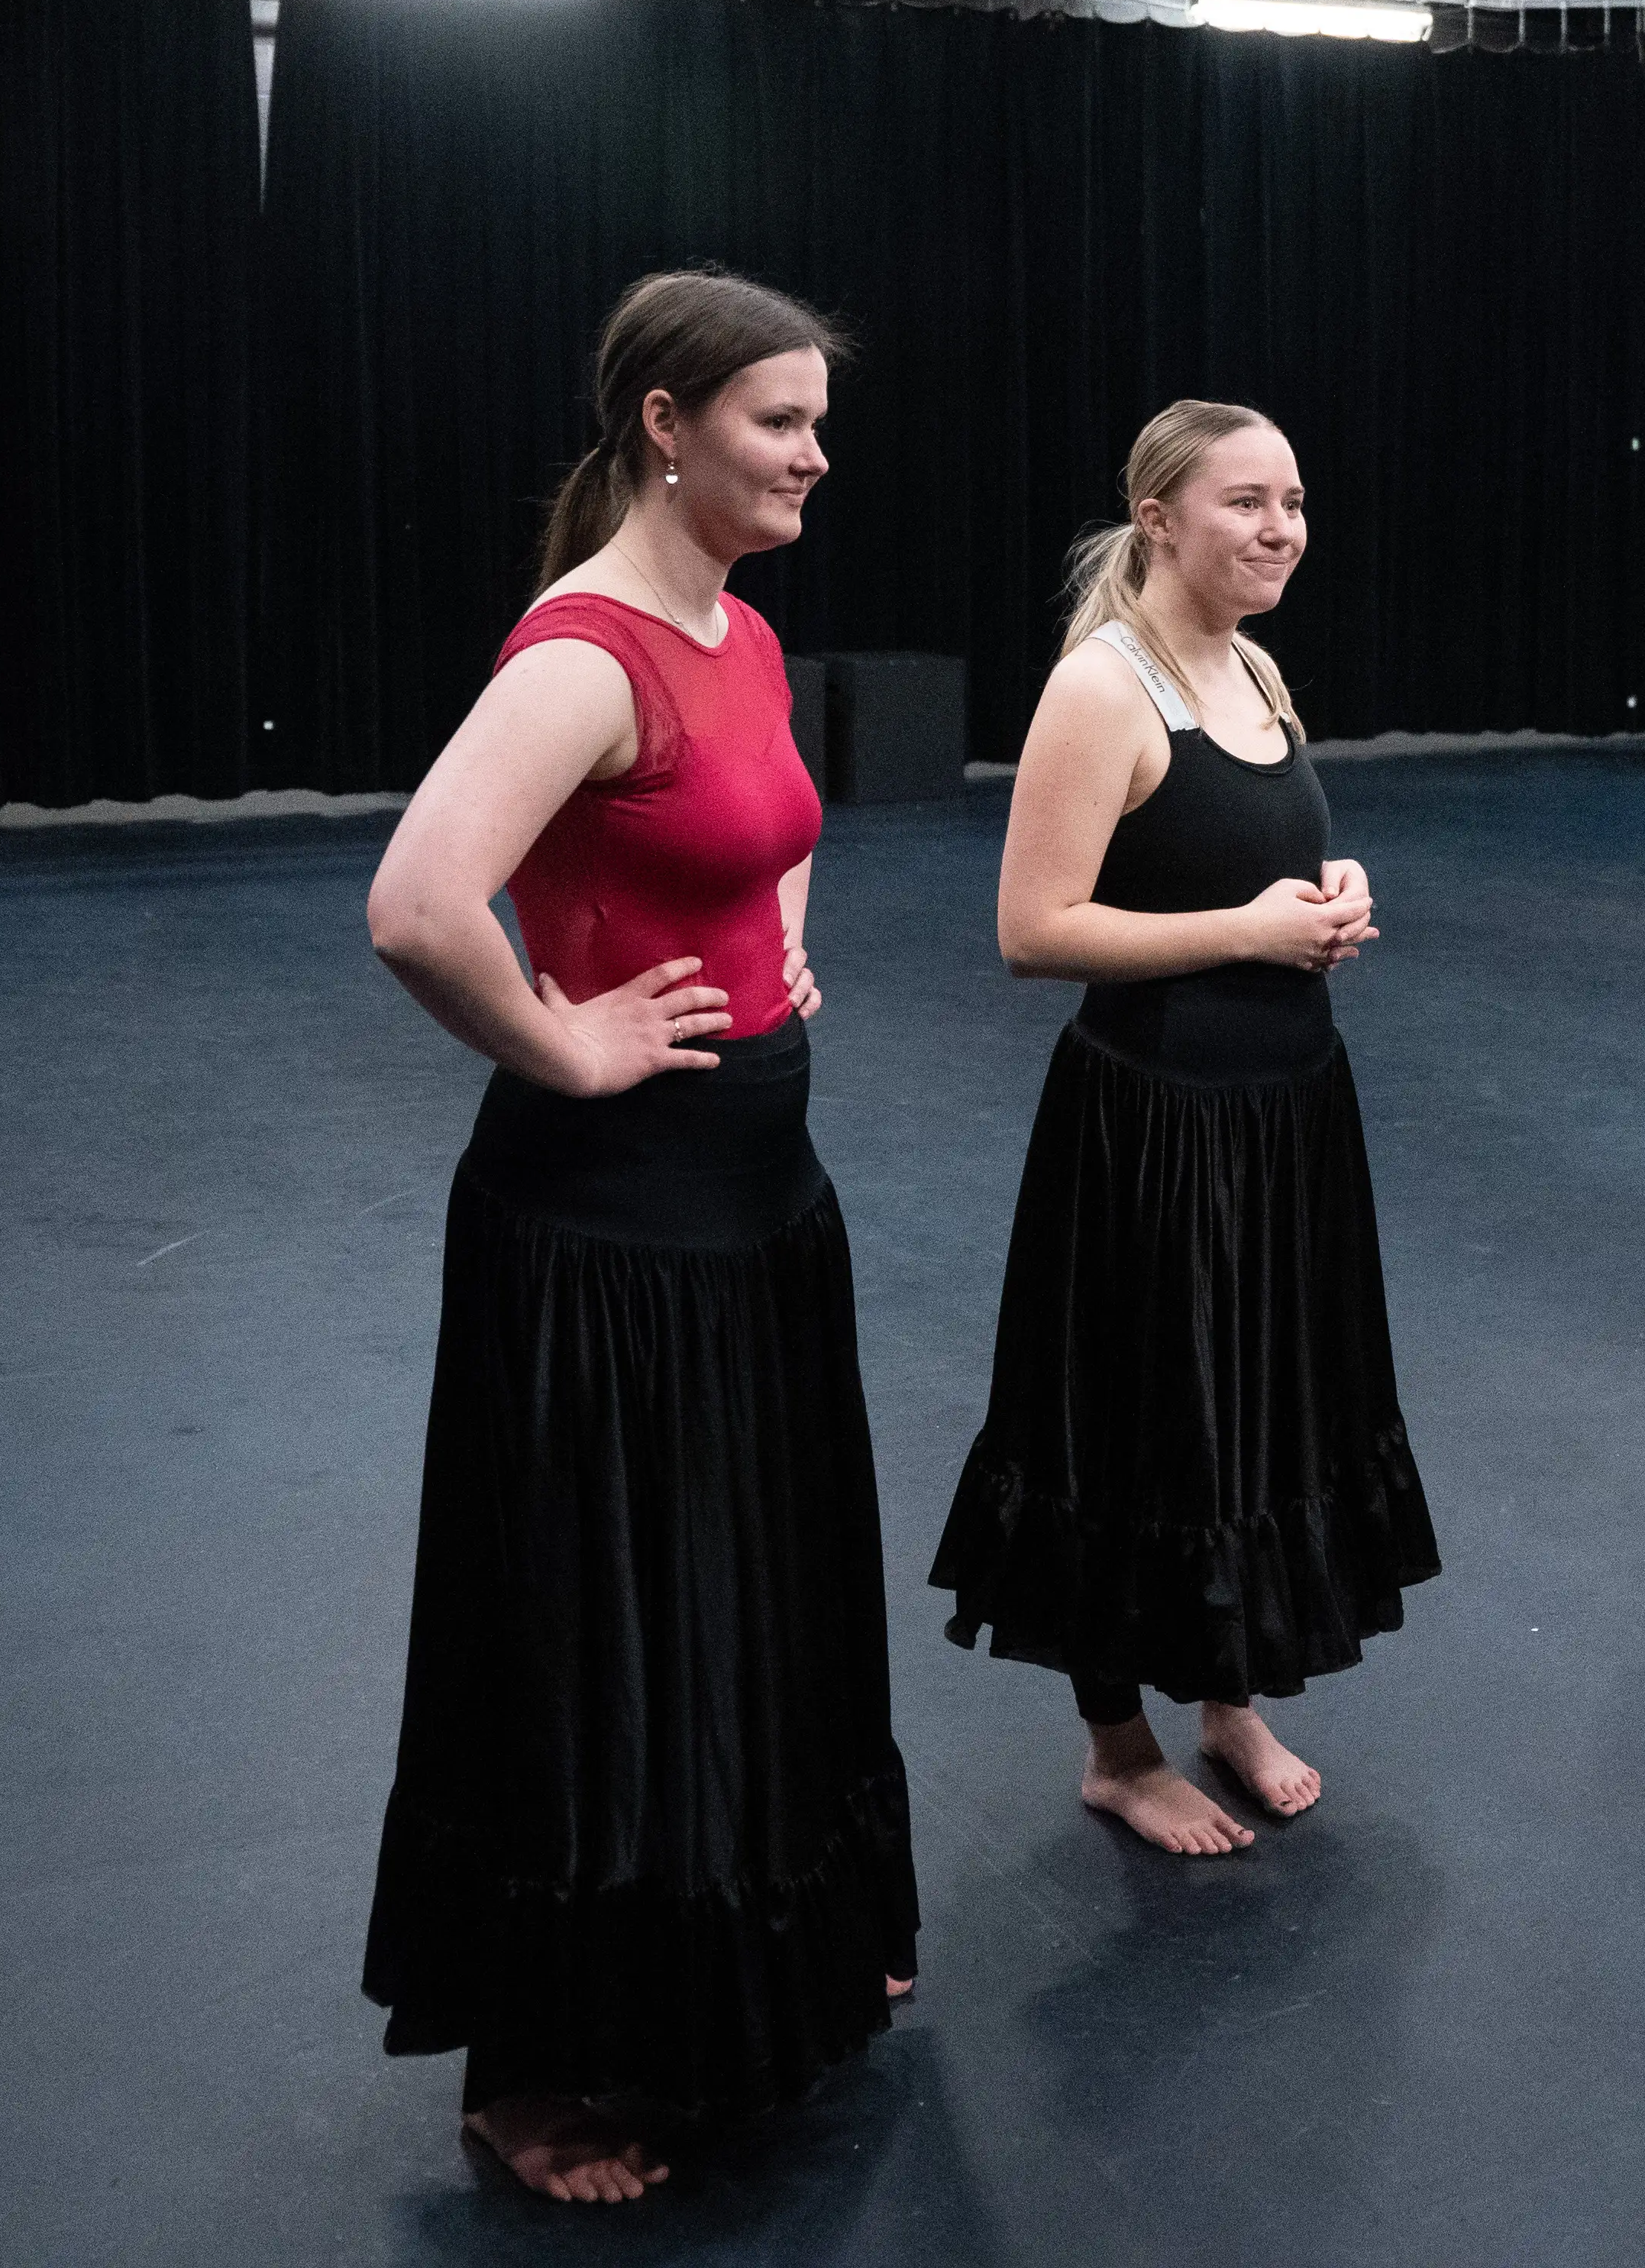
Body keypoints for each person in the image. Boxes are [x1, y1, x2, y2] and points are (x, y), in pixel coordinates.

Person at [355, 268, 918, 2206]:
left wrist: (785, 947)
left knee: (745, 1591)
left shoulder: (733, 632)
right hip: (609, 1231)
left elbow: (769, 821)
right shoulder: (583, 654)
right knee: (604, 1630)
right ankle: (537, 2072)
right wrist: (565, 1038)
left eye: (818, 419)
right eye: (779, 418)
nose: (814, 452)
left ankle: (776, 1931)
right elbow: (421, 901)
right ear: (666, 425)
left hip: (757, 1197)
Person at [932, 401, 1440, 1855]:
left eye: (1293, 500)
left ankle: (1228, 1697)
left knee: (1256, 1411)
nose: (1280, 528)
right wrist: (1251, 932)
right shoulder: (1103, 691)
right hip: (1154, 1133)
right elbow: (1036, 931)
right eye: (1245, 503)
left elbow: (1253, 859)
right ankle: (1119, 1748)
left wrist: (1326, 892)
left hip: (1285, 1120)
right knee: (1137, 1425)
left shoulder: (1256, 665)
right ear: (1158, 517)